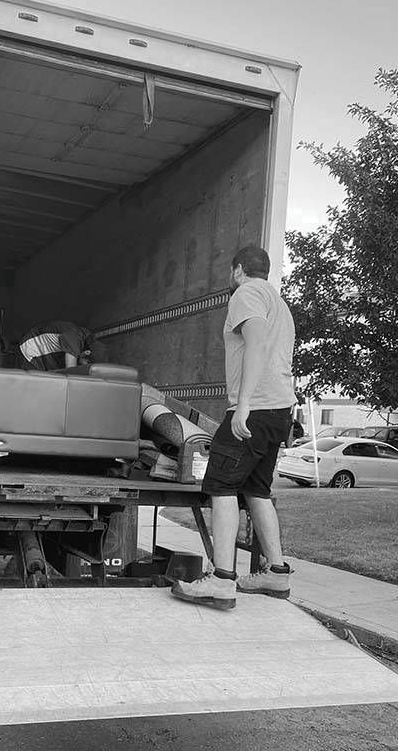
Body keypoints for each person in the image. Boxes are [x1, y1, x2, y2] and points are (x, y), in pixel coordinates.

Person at [171, 245, 295, 610]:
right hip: (277, 409)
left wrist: (242, 406)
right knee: (257, 489)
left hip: (254, 408)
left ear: (238, 269)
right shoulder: (279, 303)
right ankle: (277, 571)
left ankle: (222, 579)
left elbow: (255, 344)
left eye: (232, 271)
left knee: (221, 485)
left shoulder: (246, 293)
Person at [18, 320, 104, 371]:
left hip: (46, 358)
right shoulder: (74, 337)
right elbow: (71, 373)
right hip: (30, 351)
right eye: (87, 364)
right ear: (86, 353)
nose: (83, 366)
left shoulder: (81, 338)